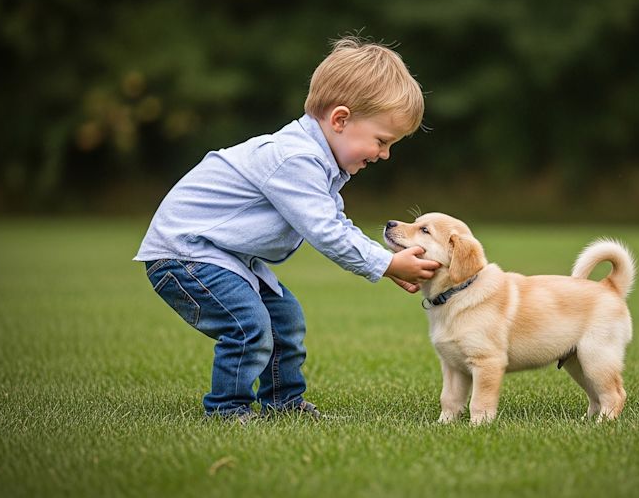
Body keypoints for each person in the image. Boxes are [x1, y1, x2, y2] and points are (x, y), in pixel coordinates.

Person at [134, 37, 439, 422]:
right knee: (249, 325)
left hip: (224, 257)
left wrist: (386, 262)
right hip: (184, 253)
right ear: (340, 120)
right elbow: (325, 231)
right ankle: (227, 410)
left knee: (285, 318)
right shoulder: (294, 159)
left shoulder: (320, 165)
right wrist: (384, 265)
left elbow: (337, 223)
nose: (384, 154)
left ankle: (284, 402)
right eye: (382, 140)